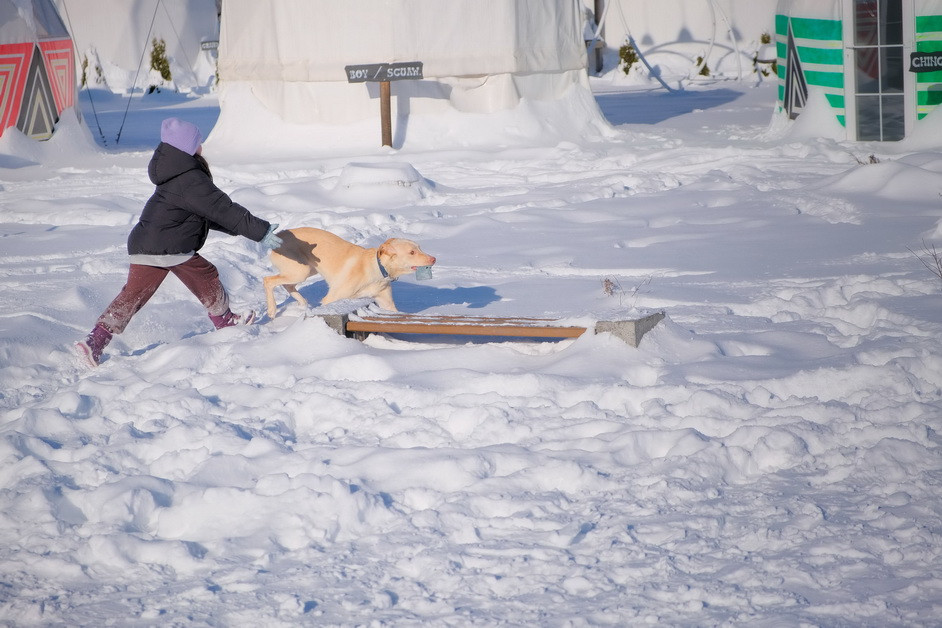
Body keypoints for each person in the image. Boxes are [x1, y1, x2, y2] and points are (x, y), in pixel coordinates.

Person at [75, 117, 283, 367]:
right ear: (186, 148)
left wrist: (240, 229)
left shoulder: (175, 175)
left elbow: (205, 214)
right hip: (170, 245)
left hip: (144, 244)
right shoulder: (190, 179)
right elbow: (223, 209)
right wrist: (261, 231)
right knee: (206, 275)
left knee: (132, 295)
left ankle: (95, 341)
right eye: (197, 142)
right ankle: (224, 320)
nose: (201, 146)